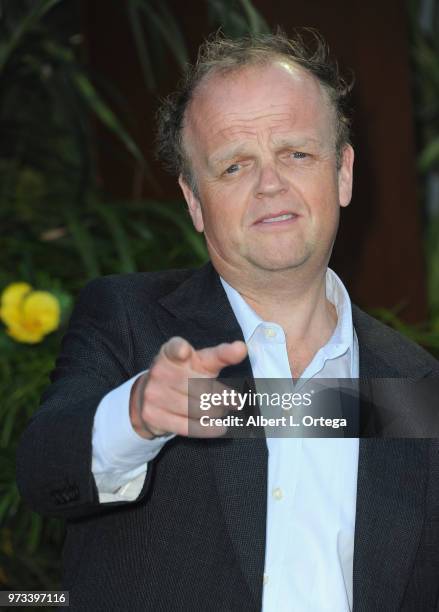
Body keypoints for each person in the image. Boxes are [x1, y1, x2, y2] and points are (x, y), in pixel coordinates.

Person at [16, 29, 439, 611]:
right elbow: (43, 472)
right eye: (235, 166)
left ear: (342, 173)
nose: (271, 183)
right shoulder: (129, 321)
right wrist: (137, 412)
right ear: (193, 200)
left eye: (296, 153)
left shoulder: (413, 383)